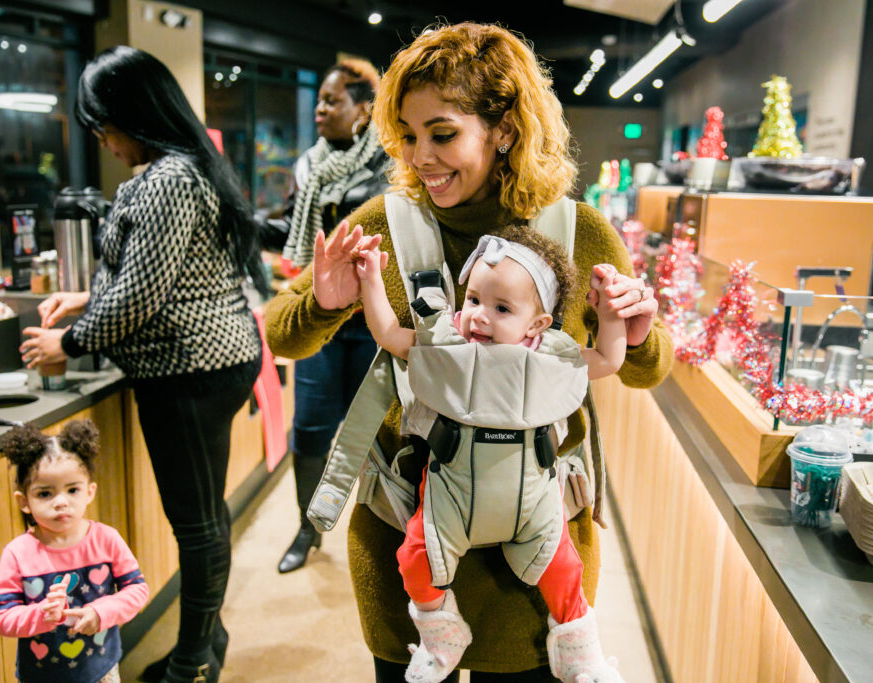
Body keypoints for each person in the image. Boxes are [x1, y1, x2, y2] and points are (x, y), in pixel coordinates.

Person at [264, 22, 672, 681]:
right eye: (409, 135)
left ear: (504, 129)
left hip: (533, 566)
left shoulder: (578, 232)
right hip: (408, 544)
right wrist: (325, 301)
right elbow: (283, 332)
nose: (421, 157)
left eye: (443, 133)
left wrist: (640, 329)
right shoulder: (383, 224)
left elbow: (648, 368)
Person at [18, 46, 266, 683]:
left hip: (187, 370)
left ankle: (191, 664)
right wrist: (87, 298)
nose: (103, 141)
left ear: (132, 115)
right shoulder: (187, 170)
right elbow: (164, 274)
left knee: (197, 524)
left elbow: (140, 295)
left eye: (103, 125)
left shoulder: (167, 179)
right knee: (206, 515)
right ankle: (210, 641)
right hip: (211, 362)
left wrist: (69, 342)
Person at [353, 224, 627, 682]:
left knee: (565, 572)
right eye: (474, 299)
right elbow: (388, 334)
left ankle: (581, 656)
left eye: (502, 308)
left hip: (534, 505)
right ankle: (441, 636)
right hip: (451, 498)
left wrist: (611, 315)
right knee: (415, 560)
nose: (479, 316)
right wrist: (371, 282)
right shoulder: (448, 346)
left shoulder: (551, 358)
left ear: (538, 324)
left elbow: (609, 360)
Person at [258, 58, 390, 574]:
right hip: (322, 319)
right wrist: (243, 221)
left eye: (331, 101)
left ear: (363, 109)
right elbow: (297, 232)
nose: (319, 109)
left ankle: (381, 531)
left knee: (379, 435)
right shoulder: (309, 166)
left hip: (374, 322)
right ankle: (307, 528)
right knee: (310, 430)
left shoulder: (388, 163)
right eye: (318, 100)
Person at [0, 419, 149, 683]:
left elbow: (137, 590)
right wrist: (41, 614)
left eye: (73, 490)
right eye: (45, 494)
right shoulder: (17, 554)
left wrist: (100, 613)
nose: (61, 502)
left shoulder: (107, 540)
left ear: (89, 492)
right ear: (24, 501)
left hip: (102, 670)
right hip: (39, 676)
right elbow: (0, 616)